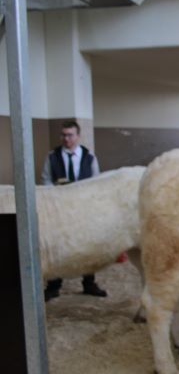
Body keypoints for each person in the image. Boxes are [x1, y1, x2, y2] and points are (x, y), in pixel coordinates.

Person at [41, 120, 108, 301]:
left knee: (88, 245)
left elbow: (97, 182)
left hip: (83, 208)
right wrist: (57, 191)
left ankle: (89, 283)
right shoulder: (52, 156)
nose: (66, 138)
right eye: (63, 135)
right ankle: (54, 285)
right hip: (60, 208)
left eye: (70, 135)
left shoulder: (89, 157)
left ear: (78, 136)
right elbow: (46, 180)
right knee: (58, 245)